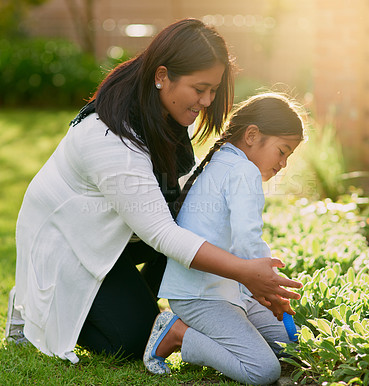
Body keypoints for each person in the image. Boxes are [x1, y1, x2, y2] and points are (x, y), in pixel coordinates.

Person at [5, 18, 301, 365]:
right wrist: (246, 274)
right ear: (162, 77)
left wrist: (247, 276)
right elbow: (162, 233)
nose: (207, 100)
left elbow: (181, 213)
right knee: (132, 340)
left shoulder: (164, 114)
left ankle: (137, 297)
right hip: (69, 243)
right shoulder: (111, 138)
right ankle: (40, 301)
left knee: (194, 229)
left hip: (117, 235)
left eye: (213, 90)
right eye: (199, 88)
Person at [144, 93, 305, 385]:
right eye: (282, 151)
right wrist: (270, 290)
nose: (283, 164)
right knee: (263, 371)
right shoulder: (243, 171)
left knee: (288, 345)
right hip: (200, 297)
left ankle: (219, 332)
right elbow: (247, 241)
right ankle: (177, 334)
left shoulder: (225, 161)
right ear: (252, 135)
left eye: (288, 156)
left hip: (228, 290)